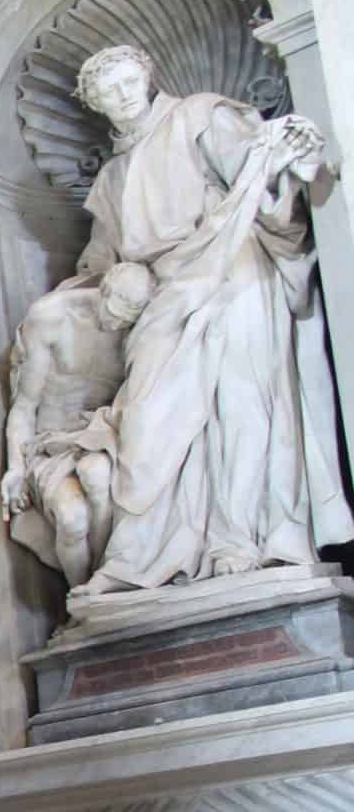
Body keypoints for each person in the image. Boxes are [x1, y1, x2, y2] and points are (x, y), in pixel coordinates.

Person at [64, 45, 347, 594]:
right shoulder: (112, 179)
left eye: (127, 83)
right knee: (148, 422)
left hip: (232, 268)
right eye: (106, 94)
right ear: (94, 106)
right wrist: (99, 291)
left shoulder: (200, 115)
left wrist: (286, 156)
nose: (122, 98)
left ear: (147, 76)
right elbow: (100, 263)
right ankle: (142, 556)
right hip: (164, 295)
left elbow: (263, 177)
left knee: (242, 407)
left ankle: (242, 540)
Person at [0, 262, 153, 586]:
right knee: (71, 519)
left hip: (99, 435)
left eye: (125, 320)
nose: (114, 324)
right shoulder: (51, 317)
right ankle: (82, 597)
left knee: (96, 474)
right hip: (50, 443)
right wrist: (15, 467)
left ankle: (105, 582)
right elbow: (25, 406)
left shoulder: (138, 334)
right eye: (112, 312)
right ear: (104, 290)